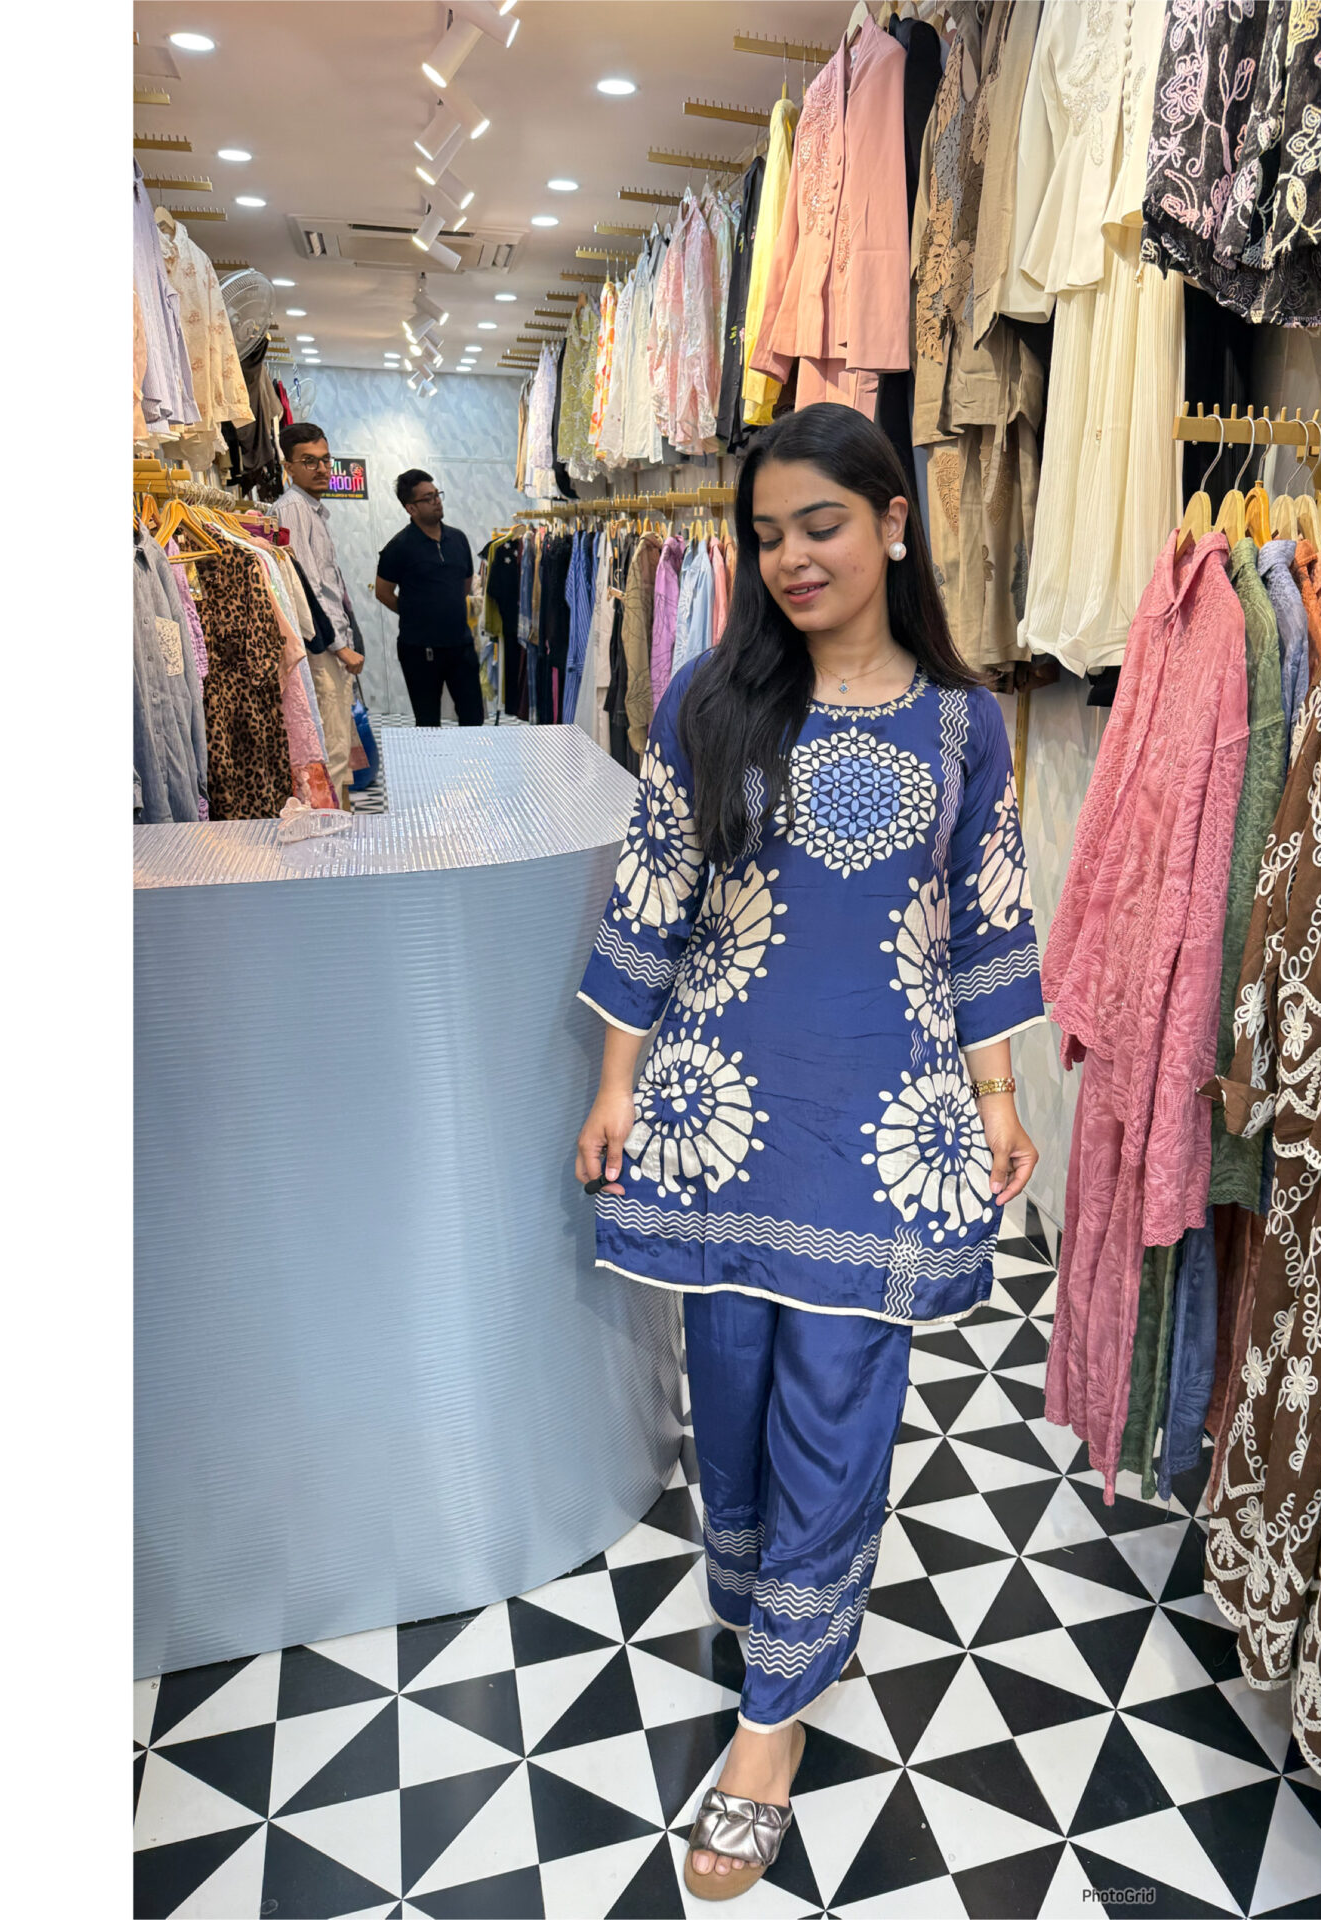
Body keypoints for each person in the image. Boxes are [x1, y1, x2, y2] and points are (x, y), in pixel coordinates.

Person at [573, 404, 1043, 1901]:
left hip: (884, 1125)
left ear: (894, 523)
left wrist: (997, 1097)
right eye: (766, 534)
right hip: (718, 1111)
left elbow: (985, 922)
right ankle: (771, 1609)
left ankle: (769, 1722)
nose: (789, 558)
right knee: (731, 1392)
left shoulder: (965, 725)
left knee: (839, 1396)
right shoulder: (711, 698)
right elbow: (653, 895)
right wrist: (615, 1086)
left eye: (819, 525)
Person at [275, 421, 365, 805]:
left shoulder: (312, 510)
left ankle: (341, 821)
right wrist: (340, 647)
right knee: (332, 748)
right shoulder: (293, 509)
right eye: (309, 461)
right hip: (323, 649)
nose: (322, 469)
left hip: (330, 645)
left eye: (326, 460)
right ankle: (334, 831)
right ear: (288, 467)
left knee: (339, 741)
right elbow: (308, 589)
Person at [376, 468, 483, 726]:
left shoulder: (458, 539)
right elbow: (383, 592)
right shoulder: (398, 547)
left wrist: (446, 608)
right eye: (428, 497)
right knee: (428, 724)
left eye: (437, 494)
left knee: (473, 718)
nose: (437, 501)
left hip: (460, 645)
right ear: (411, 508)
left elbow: (465, 582)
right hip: (419, 649)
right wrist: (415, 613)